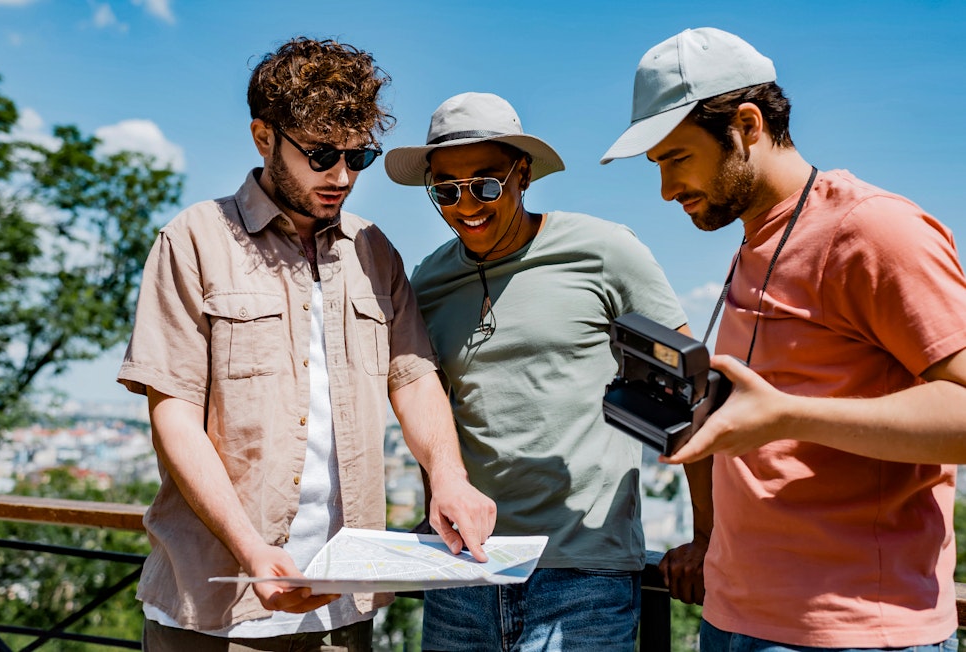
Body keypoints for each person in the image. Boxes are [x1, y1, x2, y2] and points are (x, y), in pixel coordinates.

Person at [117, 38, 496, 652]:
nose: (342, 177)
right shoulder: (193, 240)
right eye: (322, 155)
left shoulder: (374, 250)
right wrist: (251, 552)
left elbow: (413, 377)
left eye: (358, 157)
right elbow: (174, 417)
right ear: (263, 138)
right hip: (217, 609)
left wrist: (447, 475)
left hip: (344, 611)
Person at [601, 26, 966, 651]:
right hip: (732, 617)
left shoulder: (873, 230)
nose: (664, 190)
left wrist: (786, 416)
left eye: (676, 158)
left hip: (850, 630)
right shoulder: (755, 236)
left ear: (746, 125)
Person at [384, 91, 709, 651]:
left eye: (486, 184)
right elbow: (430, 407)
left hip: (585, 572)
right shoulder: (428, 282)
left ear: (524, 173)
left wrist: (708, 535)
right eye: (446, 190)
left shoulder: (604, 252)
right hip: (463, 570)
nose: (467, 205)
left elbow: (689, 393)